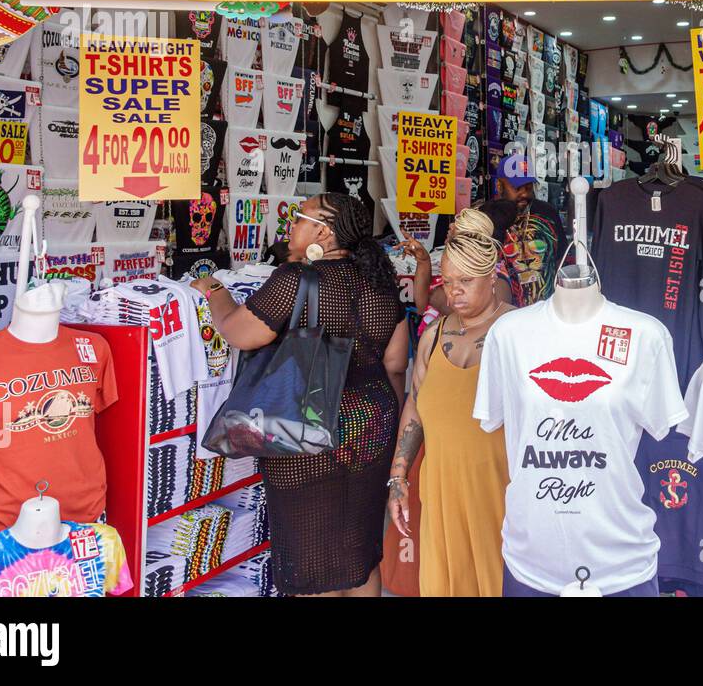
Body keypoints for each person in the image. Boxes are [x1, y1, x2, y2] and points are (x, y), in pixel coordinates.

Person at [192, 194, 410, 597]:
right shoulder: (381, 282)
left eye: (298, 218)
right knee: (360, 553)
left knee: (311, 557)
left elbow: (239, 331)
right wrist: (388, 429)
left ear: (323, 233)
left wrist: (215, 290)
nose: (290, 225)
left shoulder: (297, 280)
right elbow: (396, 365)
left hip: (305, 428)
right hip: (371, 427)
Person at [387, 227, 513, 596]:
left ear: (492, 279)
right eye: (448, 280)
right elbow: (415, 406)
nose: (453, 290)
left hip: (500, 493)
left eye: (466, 281)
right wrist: (398, 477)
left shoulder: (518, 331)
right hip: (442, 493)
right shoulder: (433, 335)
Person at [401, 202, 521, 314]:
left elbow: (490, 320)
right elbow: (422, 305)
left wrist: (438, 299)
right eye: (447, 282)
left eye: (466, 280)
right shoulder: (454, 266)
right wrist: (423, 261)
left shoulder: (497, 278)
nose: (452, 225)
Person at [493, 152, 569, 306]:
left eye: (529, 187)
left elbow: (561, 258)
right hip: (505, 312)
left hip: (546, 309)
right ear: (499, 186)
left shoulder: (546, 212)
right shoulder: (487, 216)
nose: (525, 194)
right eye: (517, 188)